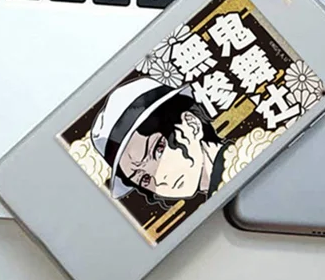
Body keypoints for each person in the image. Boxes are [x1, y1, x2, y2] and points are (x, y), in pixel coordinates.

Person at [91, 78, 228, 207]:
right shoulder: (218, 195)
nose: (160, 180)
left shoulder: (235, 164)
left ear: (191, 124)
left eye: (158, 150)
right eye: (145, 179)